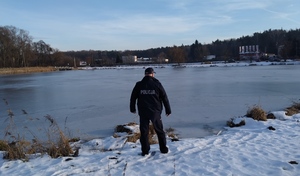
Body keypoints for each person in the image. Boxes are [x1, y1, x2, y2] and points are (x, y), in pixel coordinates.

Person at [130, 67, 171, 156]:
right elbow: (164, 97)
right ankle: (163, 149)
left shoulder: (139, 84)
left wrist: (132, 108)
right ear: (152, 74)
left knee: (144, 132)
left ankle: (145, 151)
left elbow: (133, 97)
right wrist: (168, 110)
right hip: (155, 112)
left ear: (145, 74)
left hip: (143, 111)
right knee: (159, 130)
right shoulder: (157, 84)